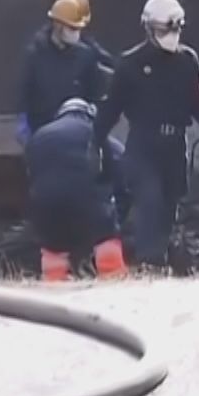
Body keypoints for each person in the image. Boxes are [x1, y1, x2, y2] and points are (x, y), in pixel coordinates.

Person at [93, 0, 199, 270]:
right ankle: (150, 264)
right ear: (149, 28)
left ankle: (162, 260)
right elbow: (111, 108)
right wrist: (95, 142)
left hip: (175, 145)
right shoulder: (130, 64)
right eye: (165, 29)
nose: (171, 35)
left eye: (176, 28)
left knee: (169, 206)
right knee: (149, 200)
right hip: (143, 144)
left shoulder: (188, 60)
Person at [23, 98, 128, 280]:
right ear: (88, 115)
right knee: (105, 238)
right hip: (87, 203)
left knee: (53, 248)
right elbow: (122, 162)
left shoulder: (39, 135)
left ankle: (54, 285)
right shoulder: (93, 131)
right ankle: (114, 278)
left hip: (46, 205)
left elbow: (31, 173)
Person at [16, 0, 117, 139]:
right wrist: (25, 125)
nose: (77, 33)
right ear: (58, 25)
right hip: (42, 132)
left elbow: (96, 93)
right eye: (73, 28)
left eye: (79, 29)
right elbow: (25, 93)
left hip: (77, 133)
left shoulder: (86, 55)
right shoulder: (35, 55)